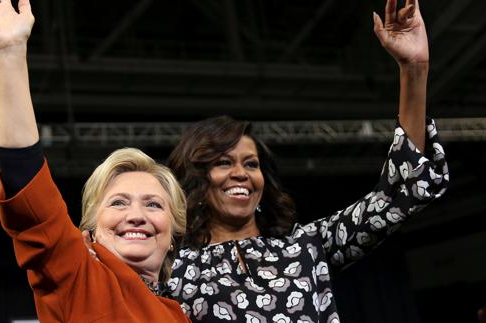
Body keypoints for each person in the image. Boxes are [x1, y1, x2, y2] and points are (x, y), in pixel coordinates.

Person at [164, 0, 449, 322]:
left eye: (252, 164)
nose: (241, 174)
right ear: (196, 175)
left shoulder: (306, 247)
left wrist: (414, 69)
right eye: (223, 163)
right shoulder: (170, 265)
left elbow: (403, 188)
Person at [0, 0, 191, 322]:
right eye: (118, 203)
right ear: (88, 232)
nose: (136, 216)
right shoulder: (79, 276)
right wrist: (9, 52)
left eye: (153, 205)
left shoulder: (181, 315)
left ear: (175, 230)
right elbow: (31, 196)